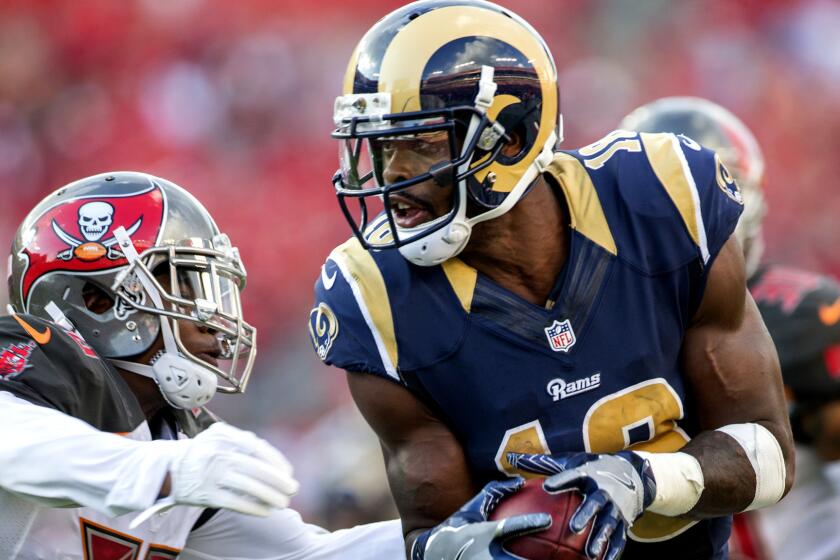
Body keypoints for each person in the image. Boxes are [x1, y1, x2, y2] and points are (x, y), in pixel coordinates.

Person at [310, 2, 795, 559]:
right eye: (379, 146)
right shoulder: (373, 294)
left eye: (419, 144)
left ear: (511, 139)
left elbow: (768, 455)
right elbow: (428, 530)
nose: (391, 176)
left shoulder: (661, 198)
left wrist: (640, 482)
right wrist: (477, 545)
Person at [0, 171, 408, 559]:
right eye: (183, 283)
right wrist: (166, 473)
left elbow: (305, 555)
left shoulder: (181, 440)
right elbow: (12, 440)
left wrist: (451, 535)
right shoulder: (34, 350)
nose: (211, 314)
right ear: (97, 302)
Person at [621, 96, 840, 560]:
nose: (691, 219)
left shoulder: (803, 315)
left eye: (709, 195)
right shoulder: (604, 321)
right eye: (668, 199)